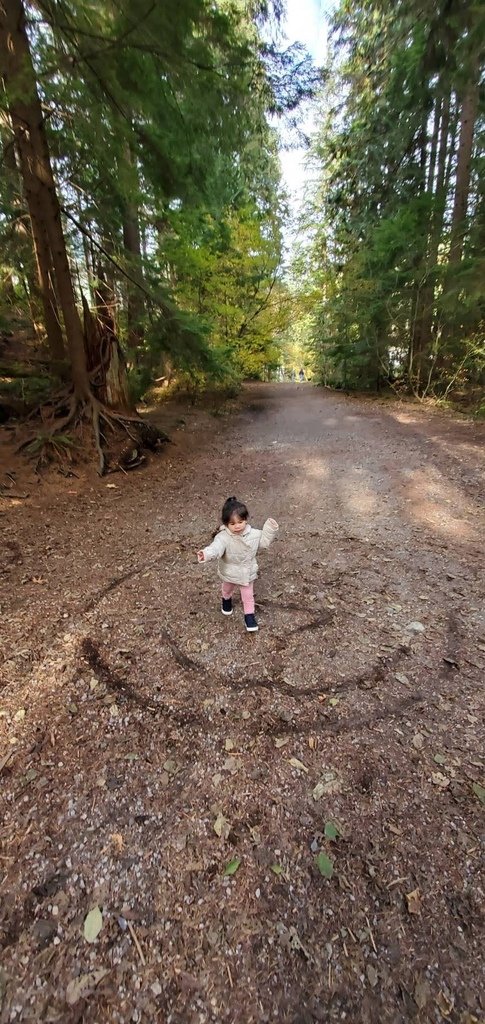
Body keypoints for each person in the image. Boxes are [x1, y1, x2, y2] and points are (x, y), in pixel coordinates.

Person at [197, 497, 279, 632]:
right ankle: (226, 600)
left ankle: (249, 616)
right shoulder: (223, 537)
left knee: (248, 595)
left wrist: (270, 529)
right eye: (233, 523)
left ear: (246, 520)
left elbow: (264, 542)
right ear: (226, 523)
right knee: (227, 588)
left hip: (247, 572)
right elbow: (216, 548)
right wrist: (206, 554)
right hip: (230, 570)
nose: (237, 526)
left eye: (241, 522)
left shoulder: (253, 534)